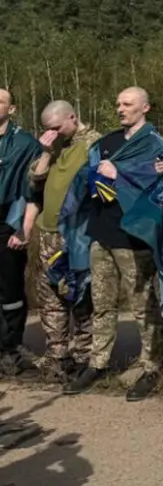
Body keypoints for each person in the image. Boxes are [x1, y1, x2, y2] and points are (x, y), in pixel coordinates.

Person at [65, 87, 163, 400]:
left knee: (143, 305)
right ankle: (98, 362)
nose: (120, 109)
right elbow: (86, 177)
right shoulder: (105, 142)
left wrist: (119, 171)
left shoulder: (154, 143)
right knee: (102, 302)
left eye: (128, 104)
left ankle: (152, 364)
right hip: (102, 234)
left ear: (145, 108)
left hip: (133, 238)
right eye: (118, 104)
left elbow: (158, 180)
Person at [26, 101, 101, 379]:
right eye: (48, 130)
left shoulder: (93, 143)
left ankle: (85, 357)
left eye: (57, 128)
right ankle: (57, 355)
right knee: (50, 296)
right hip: (48, 233)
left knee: (82, 294)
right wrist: (46, 152)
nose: (53, 134)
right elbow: (34, 180)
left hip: (78, 232)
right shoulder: (53, 145)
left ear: (73, 117)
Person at [0, 89, 44, 374]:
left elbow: (34, 191)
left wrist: (25, 228)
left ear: (12, 109)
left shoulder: (25, 143)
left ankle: (10, 348)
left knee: (11, 289)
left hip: (8, 223)